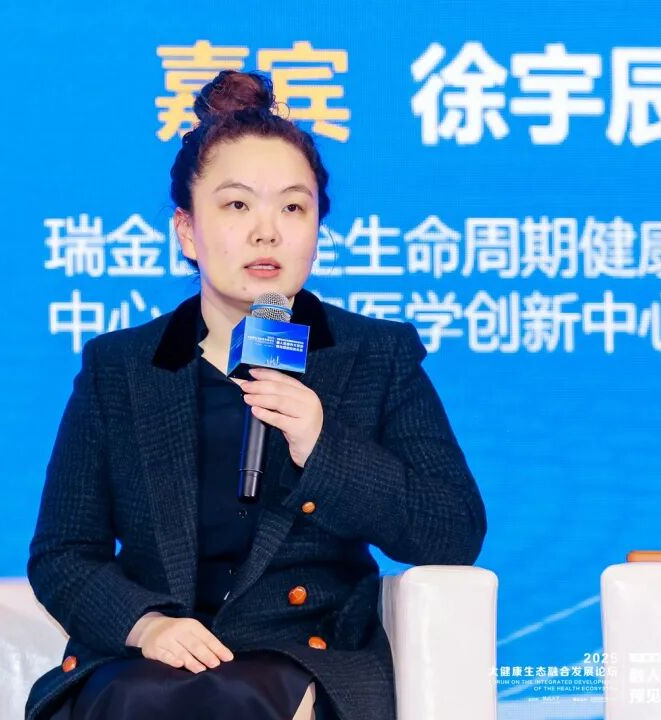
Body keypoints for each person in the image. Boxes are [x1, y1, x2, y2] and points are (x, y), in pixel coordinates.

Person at [25, 70, 487, 720]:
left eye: (293, 208)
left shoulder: (374, 356)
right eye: (237, 206)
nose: (267, 232)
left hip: (302, 659)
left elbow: (453, 532)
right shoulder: (120, 368)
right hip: (147, 662)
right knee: (140, 697)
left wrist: (323, 446)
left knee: (248, 696)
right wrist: (146, 625)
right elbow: (63, 553)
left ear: (317, 229)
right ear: (188, 231)